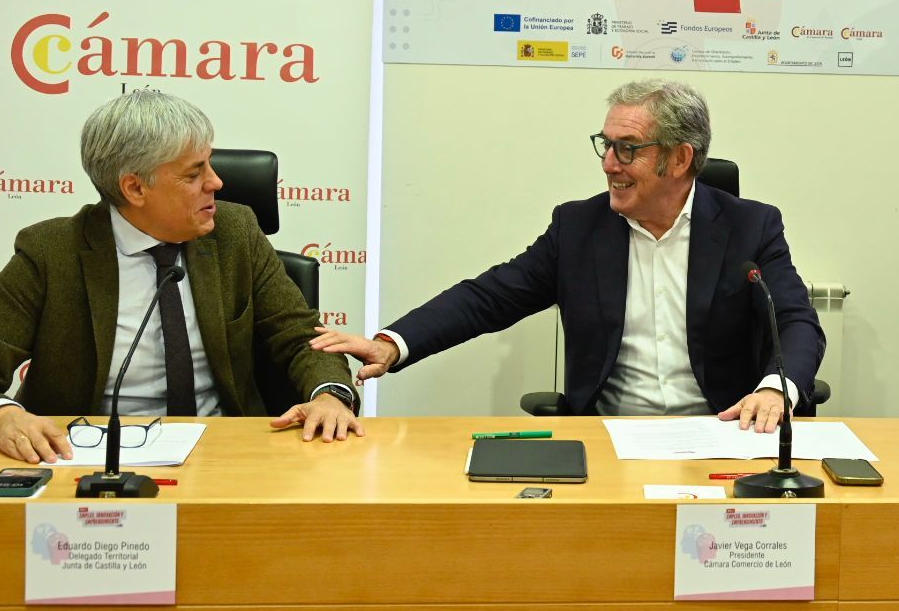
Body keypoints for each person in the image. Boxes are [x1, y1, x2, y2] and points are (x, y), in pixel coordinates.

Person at [312, 79, 824, 433]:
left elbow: (798, 322)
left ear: (680, 158)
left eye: (628, 148)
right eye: (606, 144)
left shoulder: (750, 226)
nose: (608, 164)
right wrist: (392, 344)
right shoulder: (581, 227)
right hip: (609, 437)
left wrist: (777, 390)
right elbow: (489, 297)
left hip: (722, 431)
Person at [0, 90, 362, 462]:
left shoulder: (235, 233)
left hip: (224, 450)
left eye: (209, 164)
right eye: (195, 173)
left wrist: (329, 395)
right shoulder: (50, 254)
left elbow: (304, 338)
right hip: (83, 456)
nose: (217, 183)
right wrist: (1, 416)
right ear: (134, 188)